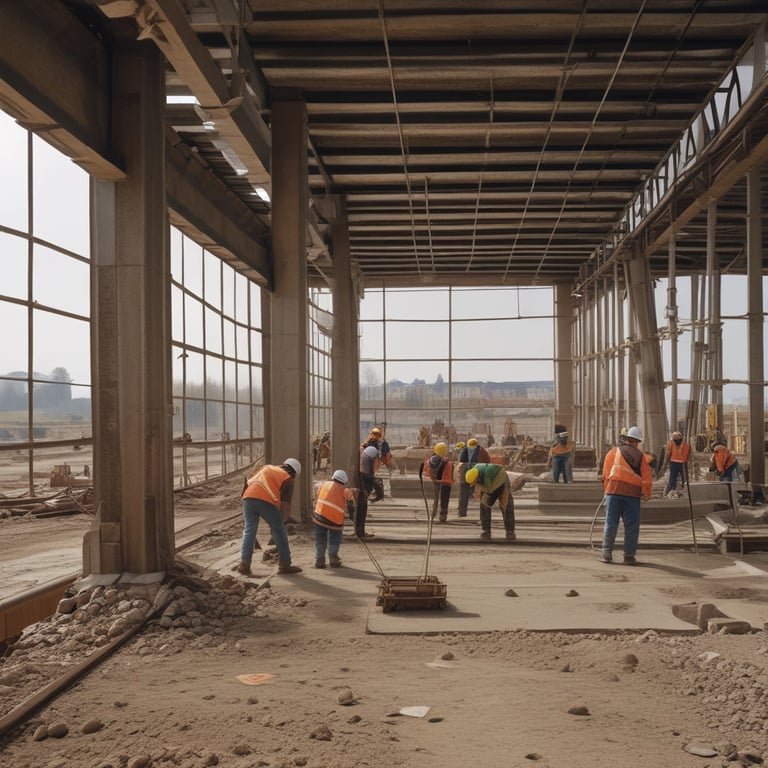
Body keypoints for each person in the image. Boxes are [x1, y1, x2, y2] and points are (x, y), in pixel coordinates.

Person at [238, 458, 303, 575]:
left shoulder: (266, 468)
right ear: (293, 473)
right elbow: (285, 503)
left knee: (249, 531)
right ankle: (285, 564)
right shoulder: (287, 478)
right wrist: (285, 519)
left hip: (248, 498)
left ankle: (244, 564)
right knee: (279, 530)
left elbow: (248, 480)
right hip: (264, 500)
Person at [599, 426, 652, 565]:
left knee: (610, 523)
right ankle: (629, 556)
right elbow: (646, 478)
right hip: (632, 495)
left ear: (626, 439)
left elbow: (605, 474)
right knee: (631, 526)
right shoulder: (640, 457)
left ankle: (606, 554)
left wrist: (606, 491)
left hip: (614, 492)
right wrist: (646, 494)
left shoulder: (613, 452)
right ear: (637, 442)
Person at [312, 469, 354, 569]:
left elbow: (317, 497)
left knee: (320, 538)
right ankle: (333, 558)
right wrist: (352, 517)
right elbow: (351, 504)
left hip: (319, 517)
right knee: (334, 539)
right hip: (335, 521)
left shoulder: (323, 485)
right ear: (344, 481)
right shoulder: (345, 491)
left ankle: (319, 559)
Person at [464, 463, 516, 541]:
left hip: (501, 479)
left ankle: (510, 531)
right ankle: (485, 530)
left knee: (506, 505)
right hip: (490, 480)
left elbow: (489, 490)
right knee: (484, 506)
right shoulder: (475, 470)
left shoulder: (486, 478)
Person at [419, 441, 454, 522]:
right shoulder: (448, 462)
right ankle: (443, 516)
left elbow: (426, 470)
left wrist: (434, 478)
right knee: (444, 500)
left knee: (436, 498)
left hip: (435, 482)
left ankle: (433, 514)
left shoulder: (430, 460)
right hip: (446, 483)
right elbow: (450, 475)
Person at [355, 444, 379, 539]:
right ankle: (360, 532)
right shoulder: (366, 462)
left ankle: (359, 531)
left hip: (363, 489)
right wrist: (365, 490)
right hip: (363, 490)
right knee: (361, 510)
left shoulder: (365, 458)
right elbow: (364, 476)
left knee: (360, 510)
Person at [664, 431, 691, 496]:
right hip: (682, 463)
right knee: (684, 477)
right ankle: (685, 490)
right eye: (675, 436)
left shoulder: (671, 443)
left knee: (673, 477)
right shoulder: (686, 445)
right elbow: (688, 454)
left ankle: (671, 490)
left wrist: (668, 460)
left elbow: (668, 453)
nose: (677, 438)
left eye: (678, 436)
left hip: (675, 462)